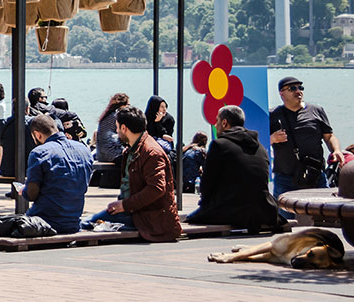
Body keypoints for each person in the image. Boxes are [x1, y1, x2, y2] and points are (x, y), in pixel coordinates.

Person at [84, 105, 181, 242]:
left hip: (146, 217)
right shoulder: (132, 149)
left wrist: (124, 205)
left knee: (84, 224)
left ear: (124, 128)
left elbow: (156, 188)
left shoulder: (151, 152)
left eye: (117, 128)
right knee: (87, 222)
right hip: (136, 212)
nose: (117, 132)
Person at [185, 105, 284, 234]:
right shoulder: (260, 147)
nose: (215, 125)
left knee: (190, 220)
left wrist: (205, 205)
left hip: (232, 210)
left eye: (217, 121)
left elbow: (207, 185)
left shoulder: (219, 145)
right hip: (264, 210)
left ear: (224, 123)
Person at [269, 75, 342, 200]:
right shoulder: (272, 115)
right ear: (282, 94)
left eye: (300, 87)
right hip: (285, 178)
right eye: (292, 88)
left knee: (322, 216)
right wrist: (272, 139)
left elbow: (329, 136)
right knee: (285, 218)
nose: (298, 91)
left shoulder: (316, 110)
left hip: (315, 174)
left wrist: (336, 150)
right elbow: (259, 142)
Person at [24, 114, 94, 234]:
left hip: (45, 221)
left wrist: (23, 191)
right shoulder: (84, 150)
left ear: (37, 134)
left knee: (2, 225)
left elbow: (31, 195)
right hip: (73, 222)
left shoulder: (39, 153)